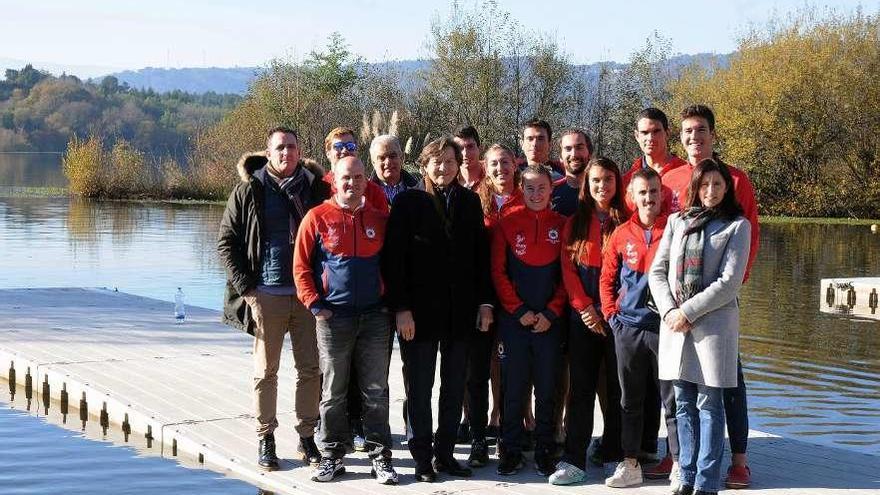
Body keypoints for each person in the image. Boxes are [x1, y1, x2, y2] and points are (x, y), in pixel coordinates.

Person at [381, 136, 494, 482]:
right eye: (436, 161)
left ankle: (445, 454)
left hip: (460, 312)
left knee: (454, 384)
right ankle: (422, 458)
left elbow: (480, 259)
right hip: (418, 314)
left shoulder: (470, 202)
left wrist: (485, 304)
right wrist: (400, 309)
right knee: (419, 385)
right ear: (424, 165)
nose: (442, 168)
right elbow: (393, 261)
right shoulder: (408, 202)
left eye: (449, 161)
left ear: (459, 164)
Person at [217, 126, 330, 470]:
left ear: (299, 151)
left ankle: (307, 437)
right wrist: (248, 290)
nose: (286, 153)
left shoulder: (314, 190)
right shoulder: (249, 190)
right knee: (266, 372)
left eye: (292, 147)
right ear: (268, 153)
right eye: (279, 148)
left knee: (311, 370)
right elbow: (226, 243)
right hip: (266, 294)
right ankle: (266, 438)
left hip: (307, 295)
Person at [663, 105, 759, 489]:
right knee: (682, 395)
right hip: (676, 316)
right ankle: (682, 468)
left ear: (713, 135)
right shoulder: (672, 185)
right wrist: (671, 308)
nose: (693, 137)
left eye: (700, 130)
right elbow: (662, 258)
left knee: (721, 392)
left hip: (716, 312)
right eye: (687, 131)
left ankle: (733, 463)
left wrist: (721, 298)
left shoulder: (736, 183)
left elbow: (741, 256)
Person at [648, 158, 751, 495]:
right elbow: (657, 272)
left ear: (727, 188)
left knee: (710, 404)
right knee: (682, 403)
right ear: (695, 187)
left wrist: (687, 311)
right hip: (675, 327)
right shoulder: (677, 221)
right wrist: (668, 311)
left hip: (712, 329)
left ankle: (706, 482)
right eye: (704, 184)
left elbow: (729, 282)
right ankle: (686, 475)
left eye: (717, 185)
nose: (710, 191)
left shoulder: (737, 226)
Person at [293, 156, 398, 484]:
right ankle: (332, 456)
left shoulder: (381, 219)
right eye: (345, 178)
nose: (351, 183)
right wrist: (314, 304)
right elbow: (301, 268)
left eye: (357, 177)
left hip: (375, 317)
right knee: (333, 390)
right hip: (333, 317)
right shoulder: (317, 217)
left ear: (366, 181)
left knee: (376, 390)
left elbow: (395, 267)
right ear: (334, 182)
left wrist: (390, 304)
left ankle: (380, 456)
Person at [551, 157, 626, 485]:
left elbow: (633, 273)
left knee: (616, 389)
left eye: (608, 180)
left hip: (618, 318)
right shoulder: (574, 223)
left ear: (617, 183)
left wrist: (611, 309)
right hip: (582, 318)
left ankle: (613, 454)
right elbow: (568, 271)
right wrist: (583, 307)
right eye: (595, 180)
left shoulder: (626, 221)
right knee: (580, 389)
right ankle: (573, 459)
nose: (602, 186)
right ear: (587, 185)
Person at [492, 165, 567, 477]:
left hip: (550, 322)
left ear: (551, 190)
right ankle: (510, 449)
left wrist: (551, 312)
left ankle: (545, 448)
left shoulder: (563, 225)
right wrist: (518, 309)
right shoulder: (506, 223)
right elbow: (498, 272)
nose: (536, 194)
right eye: (530, 188)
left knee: (548, 387)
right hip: (515, 321)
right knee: (514, 386)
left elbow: (568, 276)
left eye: (542, 188)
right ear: (521, 190)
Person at [599, 167, 670, 488]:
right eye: (642, 192)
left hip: (665, 328)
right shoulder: (620, 233)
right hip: (627, 327)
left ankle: (680, 464)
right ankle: (630, 464)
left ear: (662, 194)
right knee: (630, 399)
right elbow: (607, 279)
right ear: (631, 197)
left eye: (654, 192)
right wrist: (612, 316)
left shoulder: (674, 228)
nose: (649, 198)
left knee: (672, 399)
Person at [465, 143, 524, 467]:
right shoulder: (475, 200)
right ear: (484, 167)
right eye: (494, 163)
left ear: (515, 165)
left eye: (505, 162)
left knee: (511, 369)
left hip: (518, 299)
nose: (500, 168)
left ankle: (507, 430)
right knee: (479, 371)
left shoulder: (527, 196)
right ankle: (479, 436)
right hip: (482, 299)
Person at [622, 107, 687, 213]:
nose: (650, 138)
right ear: (637, 136)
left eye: (656, 131)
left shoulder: (687, 174)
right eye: (644, 133)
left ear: (667, 133)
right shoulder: (626, 181)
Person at [323, 126, 389, 213]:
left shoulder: (373, 191)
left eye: (350, 146)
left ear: (356, 151)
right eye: (338, 146)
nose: (345, 150)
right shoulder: (320, 188)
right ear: (328, 153)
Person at [369, 134, 419, 207]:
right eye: (382, 158)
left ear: (401, 158)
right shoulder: (364, 195)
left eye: (392, 156)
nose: (388, 162)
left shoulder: (419, 189)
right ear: (373, 163)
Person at [551, 128, 592, 216]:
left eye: (579, 147)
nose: (574, 154)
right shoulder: (550, 192)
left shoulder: (601, 190)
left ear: (590, 153)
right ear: (560, 157)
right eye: (568, 149)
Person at [454, 125, 485, 191]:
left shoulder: (493, 177)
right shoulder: (448, 180)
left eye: (470, 146)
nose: (465, 153)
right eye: (459, 148)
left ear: (480, 149)